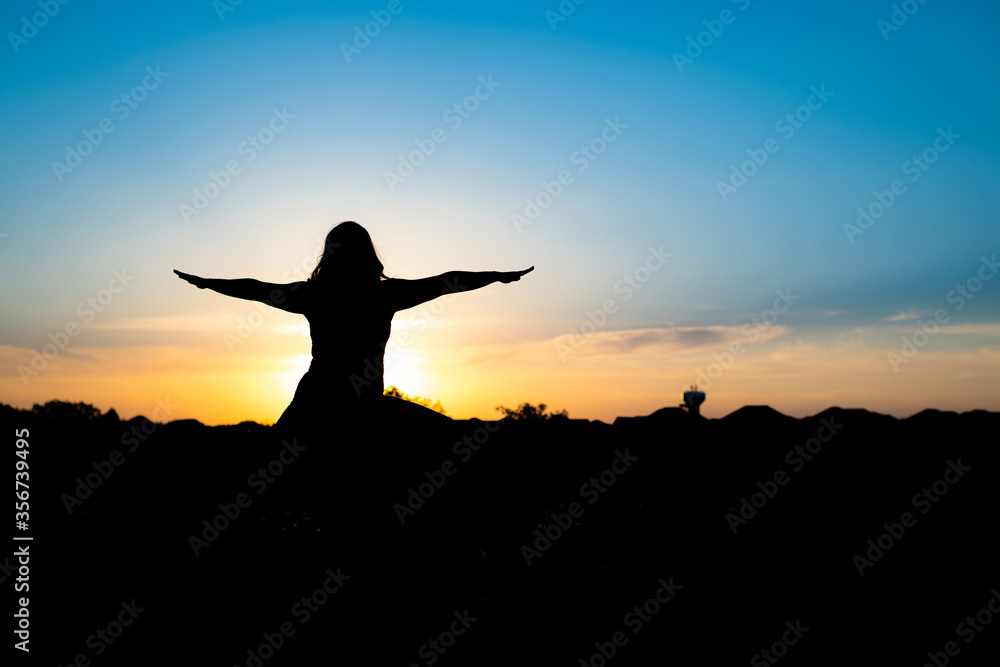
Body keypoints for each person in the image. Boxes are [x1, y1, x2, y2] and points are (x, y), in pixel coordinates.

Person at [174, 221, 532, 438]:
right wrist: (495, 276)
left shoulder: (319, 293)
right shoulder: (378, 293)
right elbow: (445, 282)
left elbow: (445, 281)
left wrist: (495, 276)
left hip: (339, 404)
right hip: (331, 403)